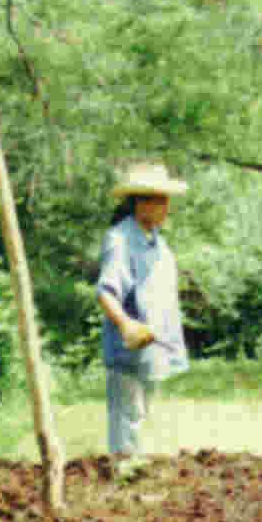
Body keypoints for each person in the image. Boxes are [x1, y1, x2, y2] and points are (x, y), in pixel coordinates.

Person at [96, 162, 190, 468]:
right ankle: (124, 476)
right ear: (140, 202)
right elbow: (106, 292)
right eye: (158, 199)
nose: (165, 206)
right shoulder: (121, 240)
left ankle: (132, 473)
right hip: (129, 348)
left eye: (165, 199)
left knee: (140, 416)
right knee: (128, 418)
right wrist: (125, 325)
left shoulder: (156, 242)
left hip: (152, 347)